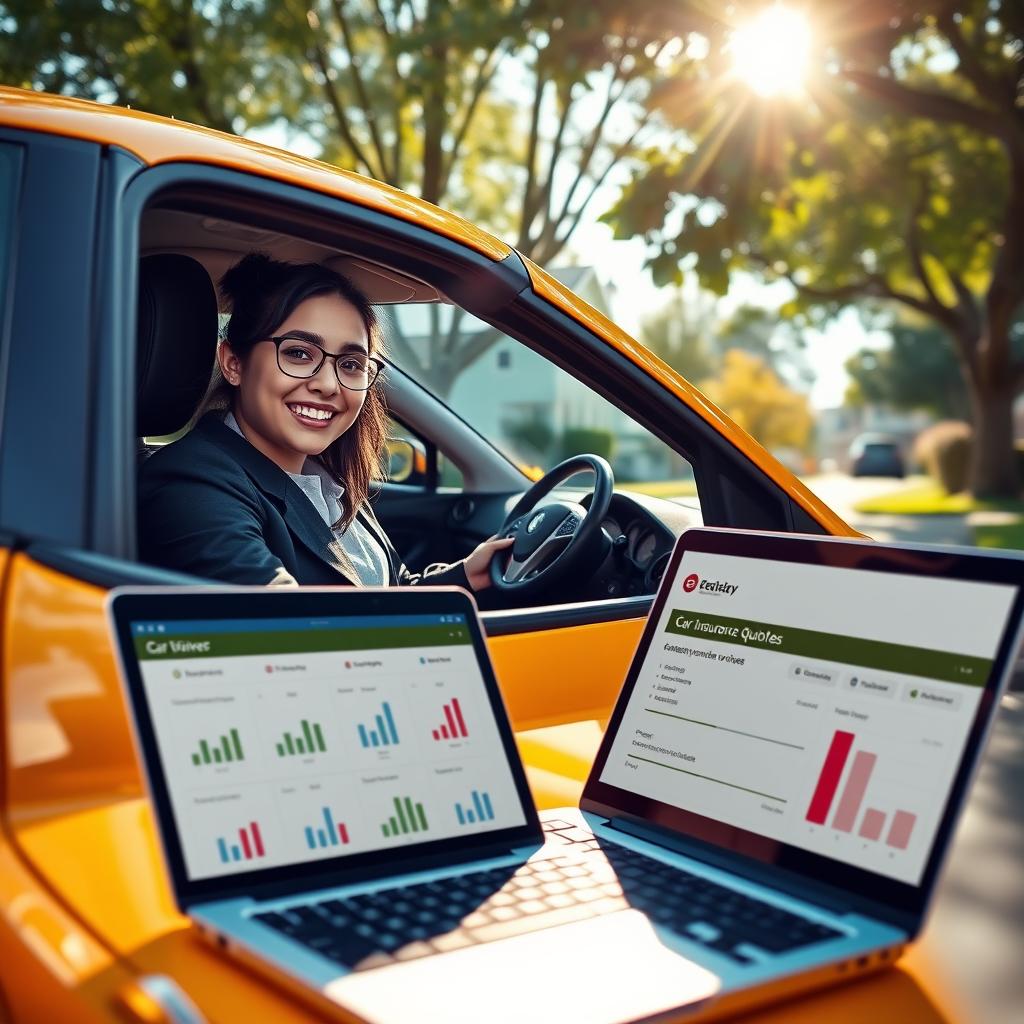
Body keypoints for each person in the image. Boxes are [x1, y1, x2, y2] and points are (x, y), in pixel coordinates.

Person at [138, 252, 512, 589]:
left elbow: (384, 594)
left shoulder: (326, 479)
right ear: (234, 363)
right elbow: (296, 631)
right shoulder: (191, 485)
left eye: (350, 364)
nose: (329, 385)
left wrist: (465, 577)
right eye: (299, 353)